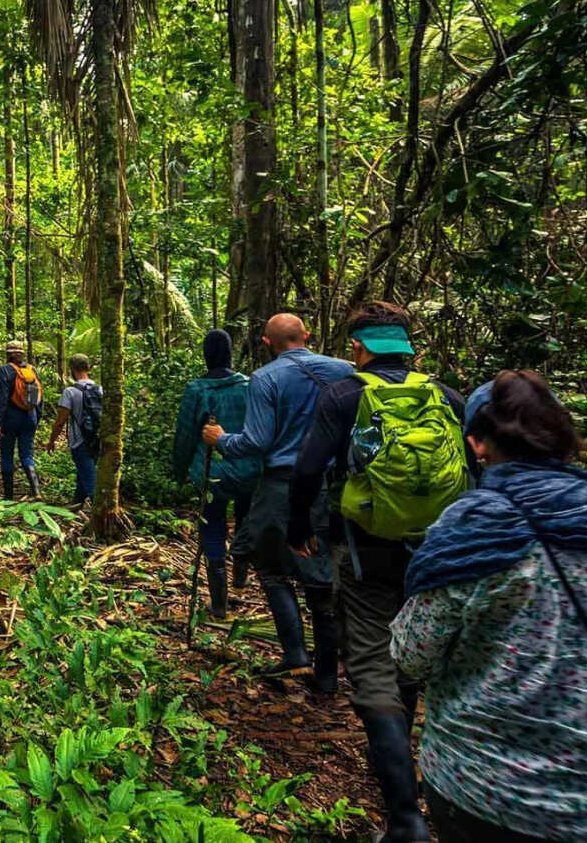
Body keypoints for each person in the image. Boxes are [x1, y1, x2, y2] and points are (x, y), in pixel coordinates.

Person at [392, 370, 587, 842]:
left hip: (482, 791)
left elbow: (410, 654)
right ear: (567, 442)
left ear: (478, 446)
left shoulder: (466, 534)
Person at [288, 300, 466, 842]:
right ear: (408, 345)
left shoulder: (344, 394)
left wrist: (300, 527)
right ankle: (395, 756)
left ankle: (405, 817)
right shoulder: (448, 397)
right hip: (435, 555)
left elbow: (308, 467)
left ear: (360, 348)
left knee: (370, 664)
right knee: (410, 655)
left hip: (364, 552)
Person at [202, 313, 352, 679]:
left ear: (266, 343)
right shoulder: (345, 371)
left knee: (271, 571)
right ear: (307, 335)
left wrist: (220, 439)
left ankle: (297, 655)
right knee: (320, 579)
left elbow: (257, 441)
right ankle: (328, 676)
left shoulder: (266, 378)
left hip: (283, 485)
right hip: (333, 487)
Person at [171, 330, 260, 618]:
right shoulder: (248, 384)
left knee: (212, 527)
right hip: (249, 469)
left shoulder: (197, 390)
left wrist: (179, 471)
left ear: (205, 355)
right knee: (245, 518)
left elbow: (185, 435)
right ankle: (241, 577)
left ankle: (219, 603)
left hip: (213, 473)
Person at [43, 353, 103, 510]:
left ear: (71, 369)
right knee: (84, 470)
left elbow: (60, 421)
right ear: (88, 368)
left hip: (79, 440)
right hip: (97, 438)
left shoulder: (70, 392)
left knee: (88, 475)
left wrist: (51, 440)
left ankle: (99, 510)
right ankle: (77, 502)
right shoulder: (100, 389)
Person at [0, 340, 41, 499]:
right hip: (30, 416)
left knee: (7, 455)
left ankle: (8, 496)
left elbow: (2, 398)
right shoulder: (32, 370)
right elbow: (40, 398)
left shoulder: (4, 370)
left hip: (11, 418)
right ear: (22, 353)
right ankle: (36, 492)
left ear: (8, 354)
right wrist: (37, 418)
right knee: (27, 454)